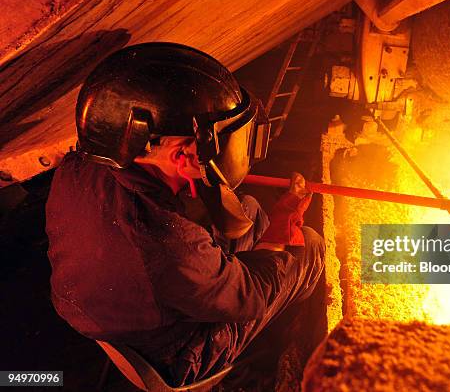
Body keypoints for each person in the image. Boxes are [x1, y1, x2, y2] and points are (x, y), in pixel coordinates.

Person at [45, 42, 325, 386]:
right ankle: (292, 339)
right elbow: (248, 298)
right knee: (308, 247)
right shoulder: (168, 242)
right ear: (182, 156)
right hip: (173, 353)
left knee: (249, 211)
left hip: (101, 314)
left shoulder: (78, 167)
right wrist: (282, 228)